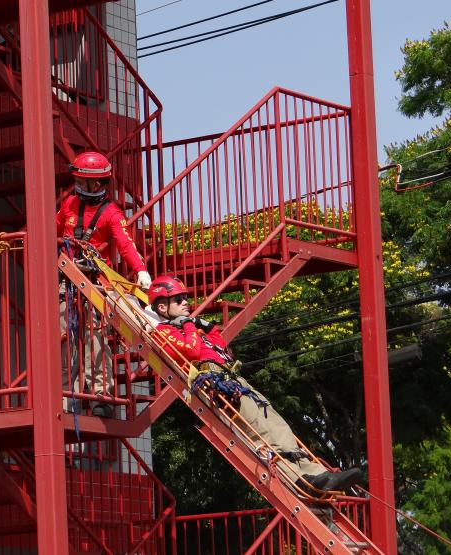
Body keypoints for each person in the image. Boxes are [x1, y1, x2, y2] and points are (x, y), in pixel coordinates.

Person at [146, 275, 364, 492]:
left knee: (277, 424)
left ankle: (316, 474)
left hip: (232, 377)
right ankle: (296, 478)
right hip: (216, 382)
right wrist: (189, 326)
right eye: (178, 299)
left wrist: (205, 325)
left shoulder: (188, 327)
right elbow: (192, 351)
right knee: (260, 430)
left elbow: (219, 344)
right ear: (163, 307)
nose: (186, 302)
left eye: (185, 297)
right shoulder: (164, 331)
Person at [57, 151, 152, 418]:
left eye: (82, 180)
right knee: (64, 341)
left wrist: (141, 270)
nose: (78, 184)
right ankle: (67, 397)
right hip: (67, 282)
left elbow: (126, 243)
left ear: (97, 184)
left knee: (96, 340)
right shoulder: (68, 205)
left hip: (96, 285)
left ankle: (102, 397)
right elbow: (52, 231)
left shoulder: (112, 213)